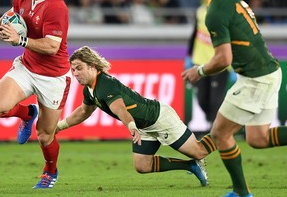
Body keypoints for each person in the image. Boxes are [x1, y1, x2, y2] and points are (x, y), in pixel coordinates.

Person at [182, 0, 286, 197]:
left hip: (256, 79)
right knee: (258, 138)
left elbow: (223, 59)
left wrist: (198, 71)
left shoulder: (215, 11)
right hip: (269, 72)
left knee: (220, 133)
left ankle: (241, 192)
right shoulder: (233, 0)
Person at [56, 46, 212, 187]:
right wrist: (59, 127)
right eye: (73, 69)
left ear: (91, 66)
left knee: (199, 152)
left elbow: (121, 109)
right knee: (143, 166)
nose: (75, 73)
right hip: (142, 126)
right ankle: (191, 165)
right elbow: (83, 111)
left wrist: (131, 126)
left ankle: (222, 135)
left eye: (79, 68)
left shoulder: (105, 84)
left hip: (159, 118)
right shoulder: (89, 89)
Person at [0, 0, 72, 189]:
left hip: (53, 76)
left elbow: (52, 46)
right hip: (27, 66)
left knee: (45, 136)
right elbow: (11, 15)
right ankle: (26, 114)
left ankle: (50, 171)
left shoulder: (57, 7)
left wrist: (20, 40)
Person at [185, 2, 230, 132]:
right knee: (202, 100)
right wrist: (189, 56)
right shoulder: (200, 11)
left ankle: (214, 129)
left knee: (215, 100)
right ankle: (215, 123)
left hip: (219, 63)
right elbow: (195, 34)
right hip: (199, 63)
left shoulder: (226, 13)